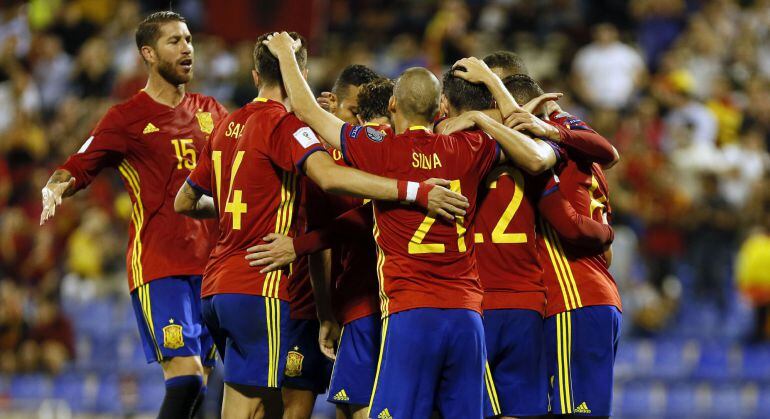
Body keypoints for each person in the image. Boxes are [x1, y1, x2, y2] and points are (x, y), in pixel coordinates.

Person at [174, 32, 467, 419]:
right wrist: (414, 190)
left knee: (249, 407)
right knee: (269, 409)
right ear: (302, 72)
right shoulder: (287, 126)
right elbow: (328, 177)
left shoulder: (227, 126)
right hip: (262, 285)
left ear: (255, 75)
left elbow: (184, 201)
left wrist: (233, 209)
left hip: (216, 288)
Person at [263, 31, 557, 418]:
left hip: (410, 313)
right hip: (467, 316)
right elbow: (535, 153)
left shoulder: (379, 148)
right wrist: (485, 106)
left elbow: (307, 110)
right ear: (439, 109)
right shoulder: (469, 147)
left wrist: (286, 54)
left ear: (392, 104)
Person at [39, 11, 228, 419]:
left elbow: (248, 153)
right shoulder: (126, 118)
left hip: (213, 267)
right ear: (148, 53)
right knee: (187, 378)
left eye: (189, 40)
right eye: (174, 41)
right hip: (161, 266)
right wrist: (55, 186)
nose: (187, 49)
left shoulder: (211, 110)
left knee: (204, 391)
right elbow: (79, 164)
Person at [444, 61, 616, 419]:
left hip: (570, 295)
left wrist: (484, 119)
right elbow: (608, 152)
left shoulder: (540, 149)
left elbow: (570, 224)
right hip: (559, 298)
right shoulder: (575, 146)